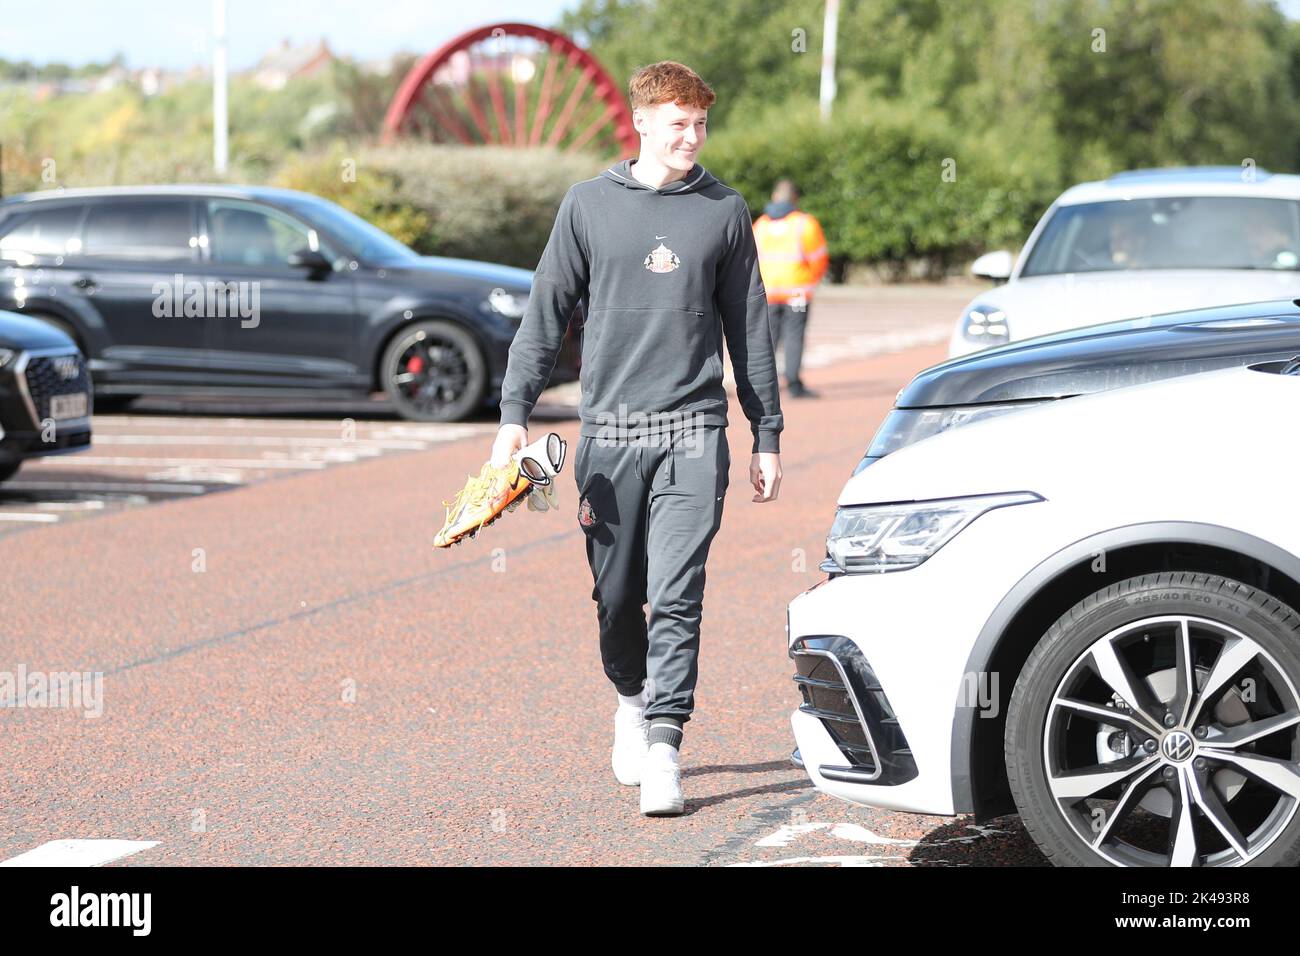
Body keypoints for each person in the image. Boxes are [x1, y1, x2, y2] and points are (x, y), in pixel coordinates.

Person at [488, 61, 784, 816]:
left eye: (702, 123)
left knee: (677, 592)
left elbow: (749, 330)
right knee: (618, 598)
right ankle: (630, 697)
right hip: (610, 435)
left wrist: (766, 433)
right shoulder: (588, 206)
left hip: (694, 430)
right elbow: (544, 316)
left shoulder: (724, 211)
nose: (692, 136)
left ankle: (664, 746)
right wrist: (513, 417)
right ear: (642, 123)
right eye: (679, 122)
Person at [752, 180, 829, 398]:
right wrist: (811, 281)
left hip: (767, 291)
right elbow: (819, 259)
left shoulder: (761, 225)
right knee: (794, 336)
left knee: (768, 339)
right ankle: (794, 384)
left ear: (775, 197)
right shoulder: (805, 224)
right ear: (794, 198)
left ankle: (763, 385)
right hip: (796, 291)